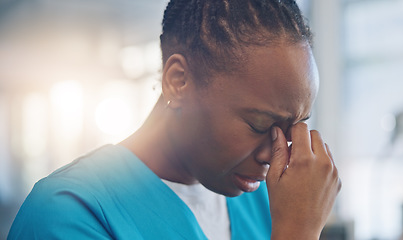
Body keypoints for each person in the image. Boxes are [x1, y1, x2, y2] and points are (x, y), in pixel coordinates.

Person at [8, 0, 341, 239]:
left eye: (293, 127)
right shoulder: (69, 213)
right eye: (258, 124)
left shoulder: (267, 201)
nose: (276, 154)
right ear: (178, 81)